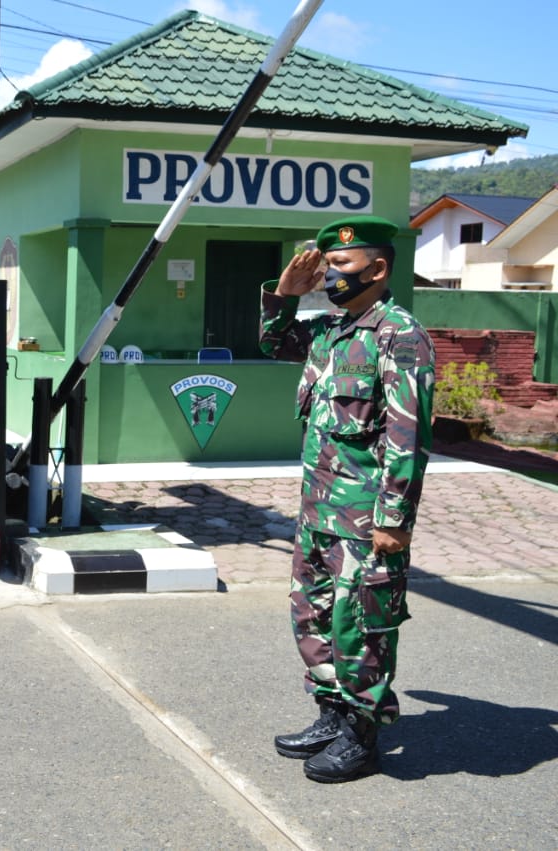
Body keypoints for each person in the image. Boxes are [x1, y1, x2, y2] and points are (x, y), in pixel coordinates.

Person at [258, 215, 435, 783]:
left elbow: (408, 436)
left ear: (378, 269)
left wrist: (394, 519)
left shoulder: (399, 335)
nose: (331, 274)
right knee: (312, 616)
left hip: (366, 519)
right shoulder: (332, 331)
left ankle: (363, 733)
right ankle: (332, 714)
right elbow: (273, 341)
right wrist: (285, 295)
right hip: (318, 510)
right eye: (327, 265)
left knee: (360, 623)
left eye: (342, 265)